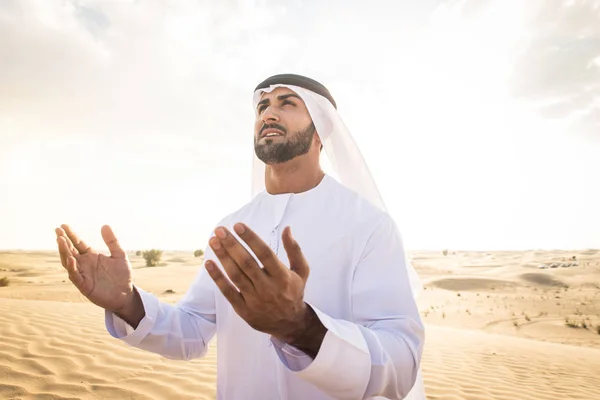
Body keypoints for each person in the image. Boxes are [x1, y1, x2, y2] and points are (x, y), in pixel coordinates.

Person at [55, 74, 426, 400]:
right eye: (262, 105)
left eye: (287, 103)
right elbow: (191, 331)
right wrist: (128, 303)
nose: (268, 112)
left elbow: (401, 362)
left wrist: (302, 327)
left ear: (322, 129)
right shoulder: (232, 227)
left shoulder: (368, 225)